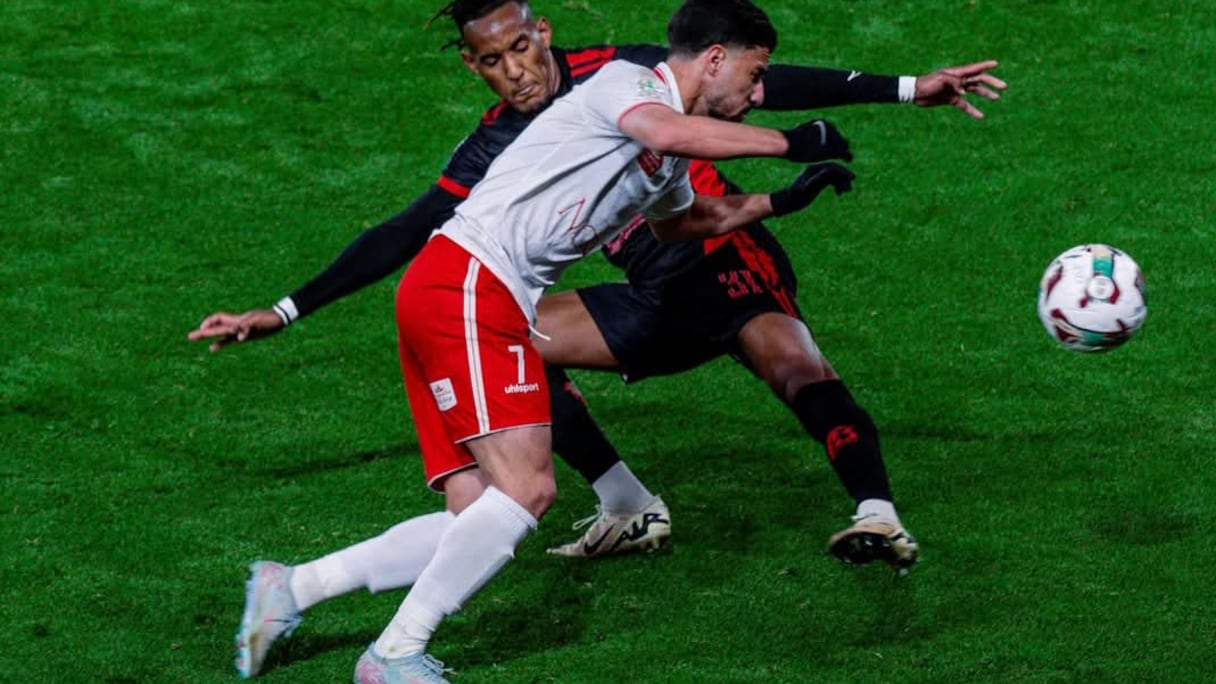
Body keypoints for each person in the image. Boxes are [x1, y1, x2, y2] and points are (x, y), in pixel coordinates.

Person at [189, 0, 1004, 678]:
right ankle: (395, 654)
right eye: (754, 78)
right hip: (472, 287)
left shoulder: (658, 131)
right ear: (713, 61)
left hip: (457, 293)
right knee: (528, 494)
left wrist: (783, 198)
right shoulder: (627, 83)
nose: (761, 94)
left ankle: (291, 589)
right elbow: (673, 134)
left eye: (521, 47)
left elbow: (686, 219)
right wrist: (792, 139)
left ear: (541, 33)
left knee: (478, 513)